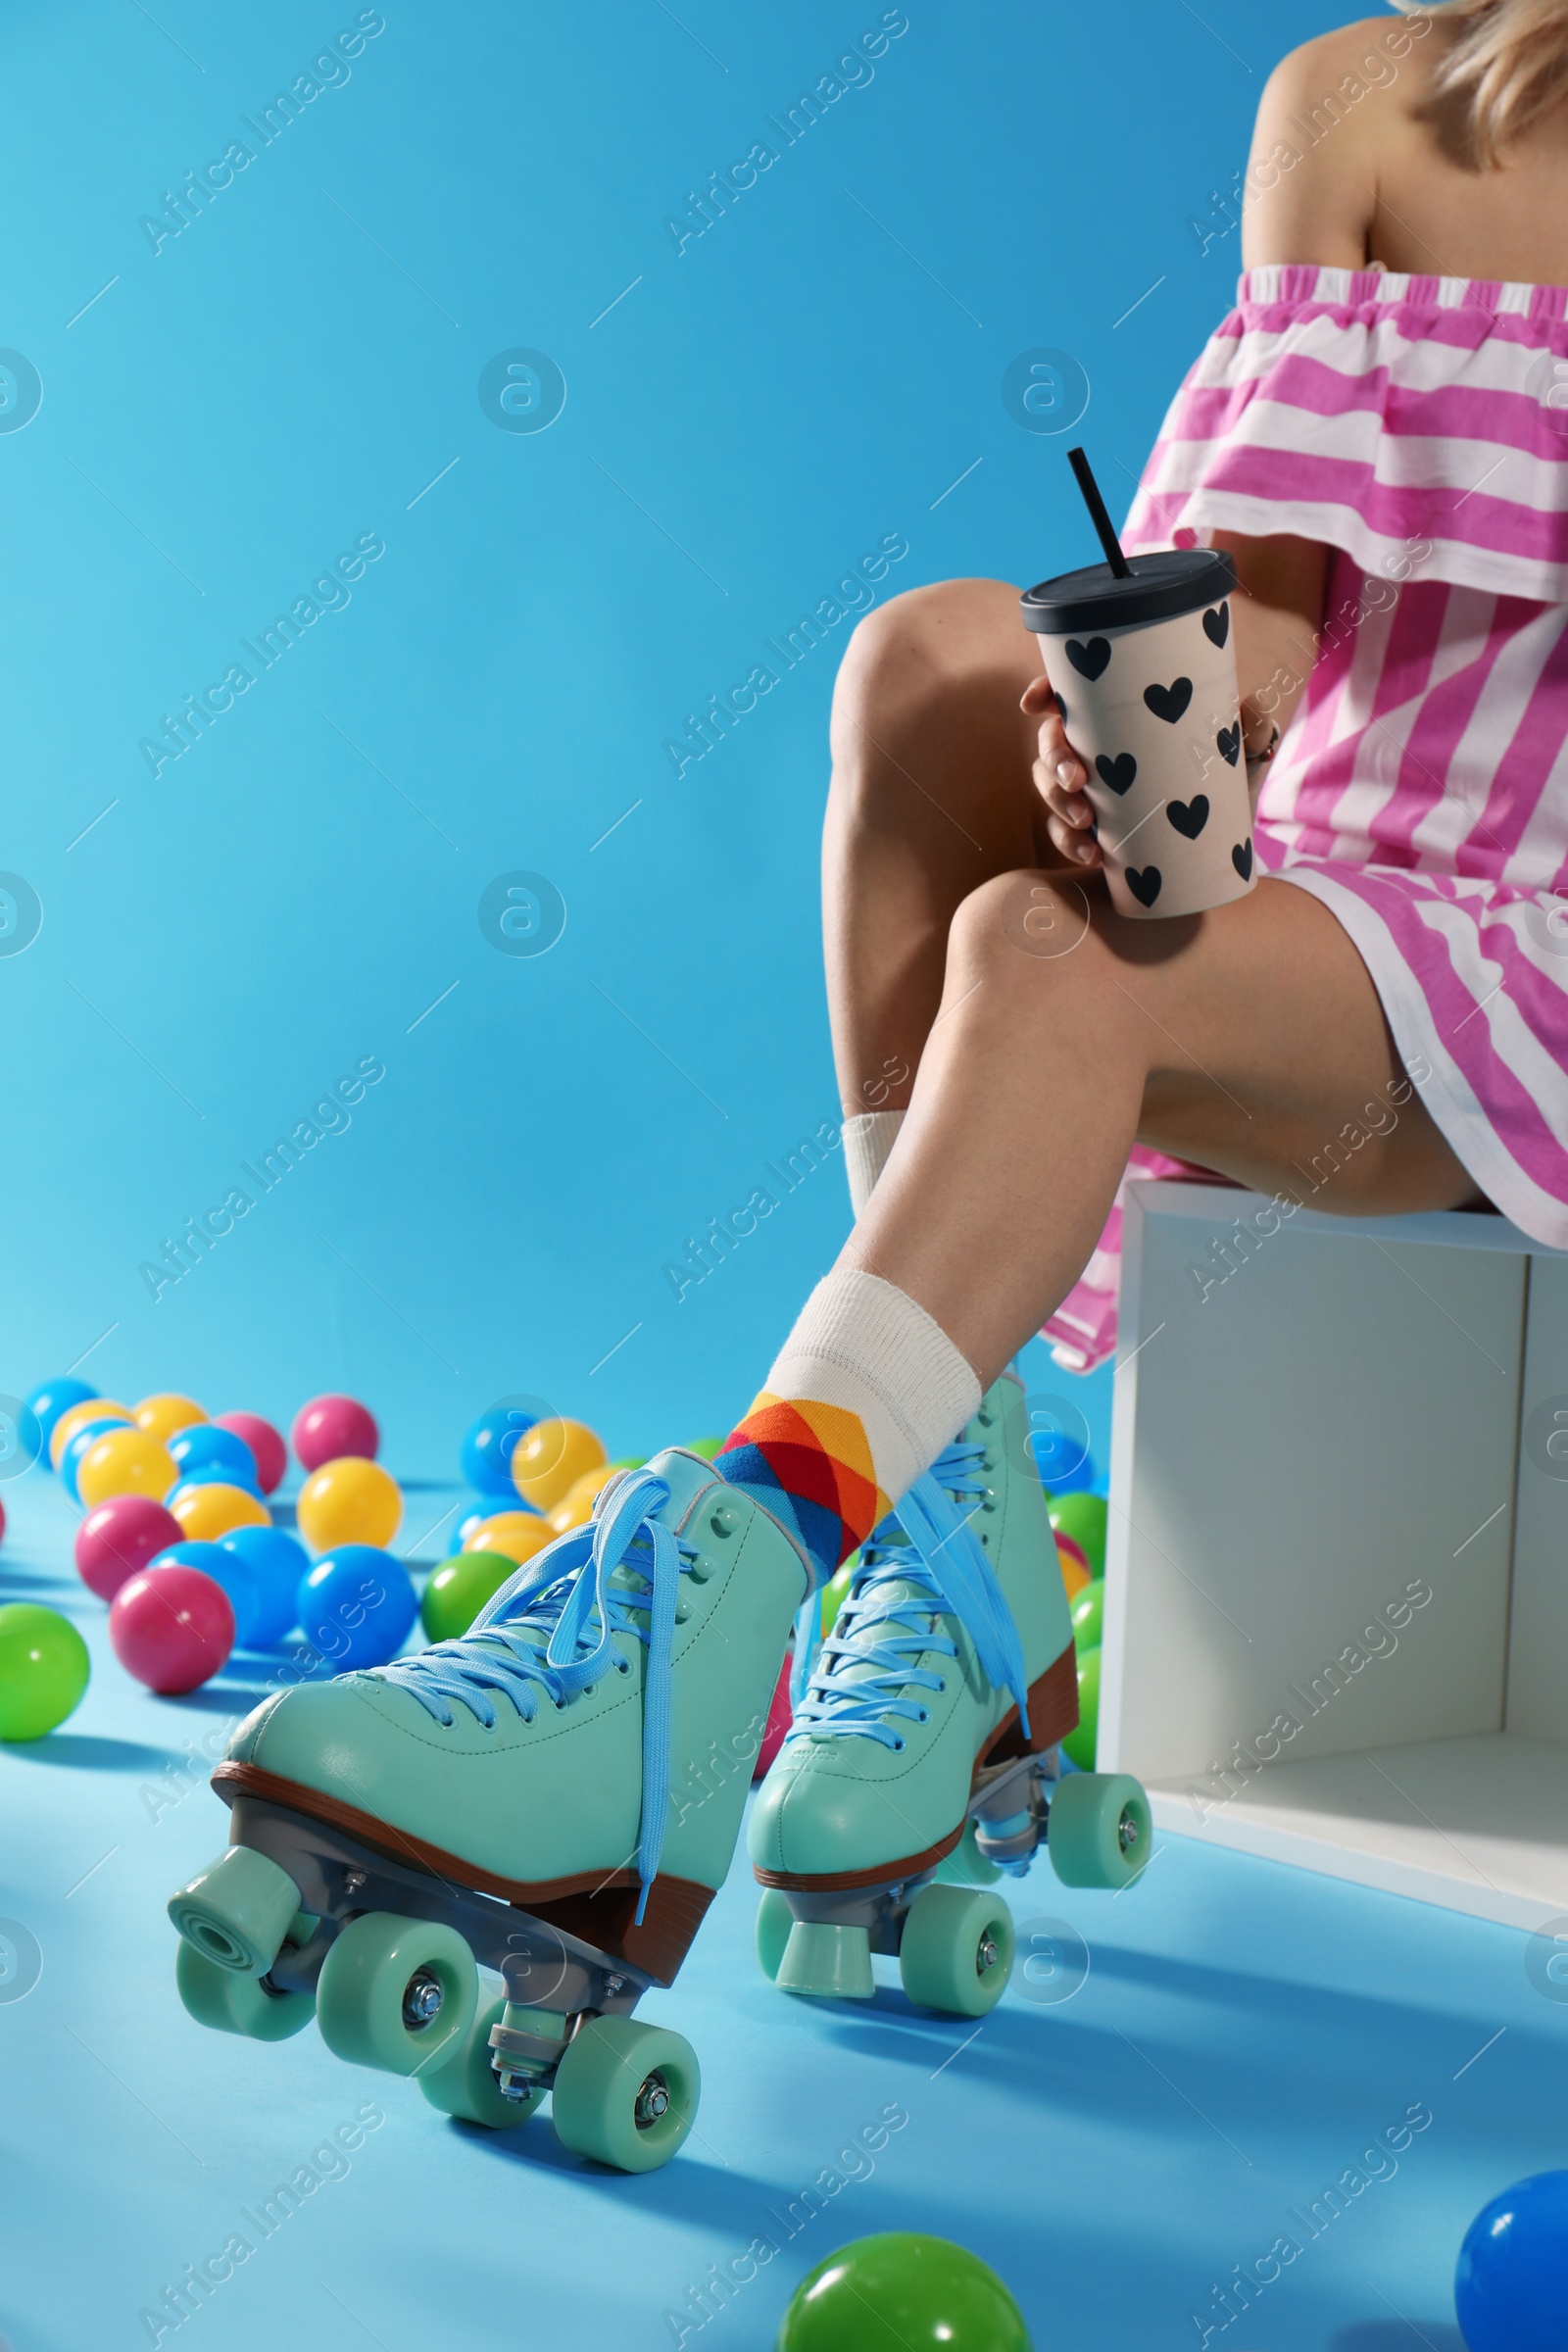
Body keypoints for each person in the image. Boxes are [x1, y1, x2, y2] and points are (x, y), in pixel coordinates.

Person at [183, 0, 1568, 2066]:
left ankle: (710, 1615)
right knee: (927, 660)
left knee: (1036, 953)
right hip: (1337, 874)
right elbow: (1272, 621)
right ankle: (954, 1553)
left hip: (1524, 960)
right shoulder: (1364, 101)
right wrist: (1171, 734)